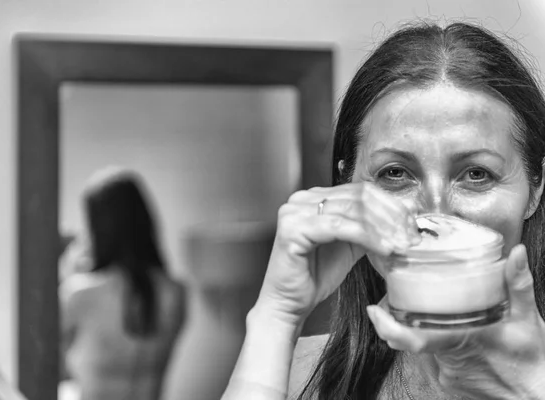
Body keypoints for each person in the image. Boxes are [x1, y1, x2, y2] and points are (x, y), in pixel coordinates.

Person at [221, 21, 545, 400]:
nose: (434, 215)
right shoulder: (294, 374)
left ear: (535, 190)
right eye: (395, 173)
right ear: (347, 188)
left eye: (477, 174)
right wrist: (277, 315)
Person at [60, 167, 185, 400]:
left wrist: (68, 270)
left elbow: (48, 362)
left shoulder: (81, 294)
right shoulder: (176, 293)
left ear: (97, 226)